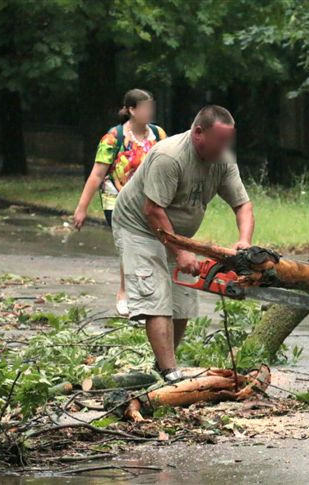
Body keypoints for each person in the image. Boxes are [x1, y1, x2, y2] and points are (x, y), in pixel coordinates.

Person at [111, 105, 254, 382]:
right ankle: (170, 373)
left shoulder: (223, 161)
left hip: (176, 233)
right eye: (219, 140)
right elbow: (152, 210)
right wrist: (181, 251)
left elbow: (243, 205)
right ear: (198, 132)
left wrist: (244, 242)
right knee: (156, 296)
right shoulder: (170, 157)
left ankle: (161, 367)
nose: (225, 147)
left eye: (229, 140)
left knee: (182, 302)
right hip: (140, 227)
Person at [73, 89, 166, 316]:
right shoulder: (113, 138)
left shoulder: (158, 134)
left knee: (149, 246)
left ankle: (147, 292)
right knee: (129, 245)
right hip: (117, 199)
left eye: (151, 106)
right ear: (132, 110)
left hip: (148, 200)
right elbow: (96, 175)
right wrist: (81, 208)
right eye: (144, 107)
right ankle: (124, 292)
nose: (149, 112)